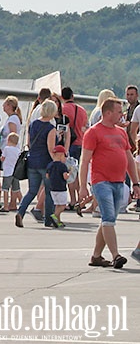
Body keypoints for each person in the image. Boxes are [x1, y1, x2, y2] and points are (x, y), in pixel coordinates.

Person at [79, 97, 140, 268]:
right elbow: (84, 161)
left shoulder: (121, 133)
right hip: (101, 181)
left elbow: (129, 159)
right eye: (119, 112)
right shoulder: (93, 132)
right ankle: (116, 255)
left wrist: (135, 183)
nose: (122, 115)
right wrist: (83, 186)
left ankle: (96, 256)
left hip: (119, 182)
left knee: (108, 219)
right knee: (108, 218)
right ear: (108, 113)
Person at [15, 100, 57, 229]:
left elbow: (28, 143)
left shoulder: (33, 124)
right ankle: (49, 218)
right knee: (49, 192)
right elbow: (51, 148)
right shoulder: (51, 128)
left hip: (32, 161)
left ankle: (20, 212)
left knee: (32, 191)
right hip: (45, 163)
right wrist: (56, 162)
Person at [46, 145, 70, 228]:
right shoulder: (63, 166)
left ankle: (58, 221)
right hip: (61, 188)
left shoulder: (50, 165)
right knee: (63, 205)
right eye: (64, 156)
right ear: (60, 155)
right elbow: (65, 177)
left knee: (57, 205)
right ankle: (55, 216)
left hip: (53, 188)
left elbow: (47, 176)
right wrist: (69, 173)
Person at [0, 133, 22, 212]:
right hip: (15, 172)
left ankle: (5, 206)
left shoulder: (6, 149)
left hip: (7, 172)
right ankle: (22, 204)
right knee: (16, 189)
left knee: (5, 189)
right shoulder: (18, 150)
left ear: (8, 140)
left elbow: (2, 158)